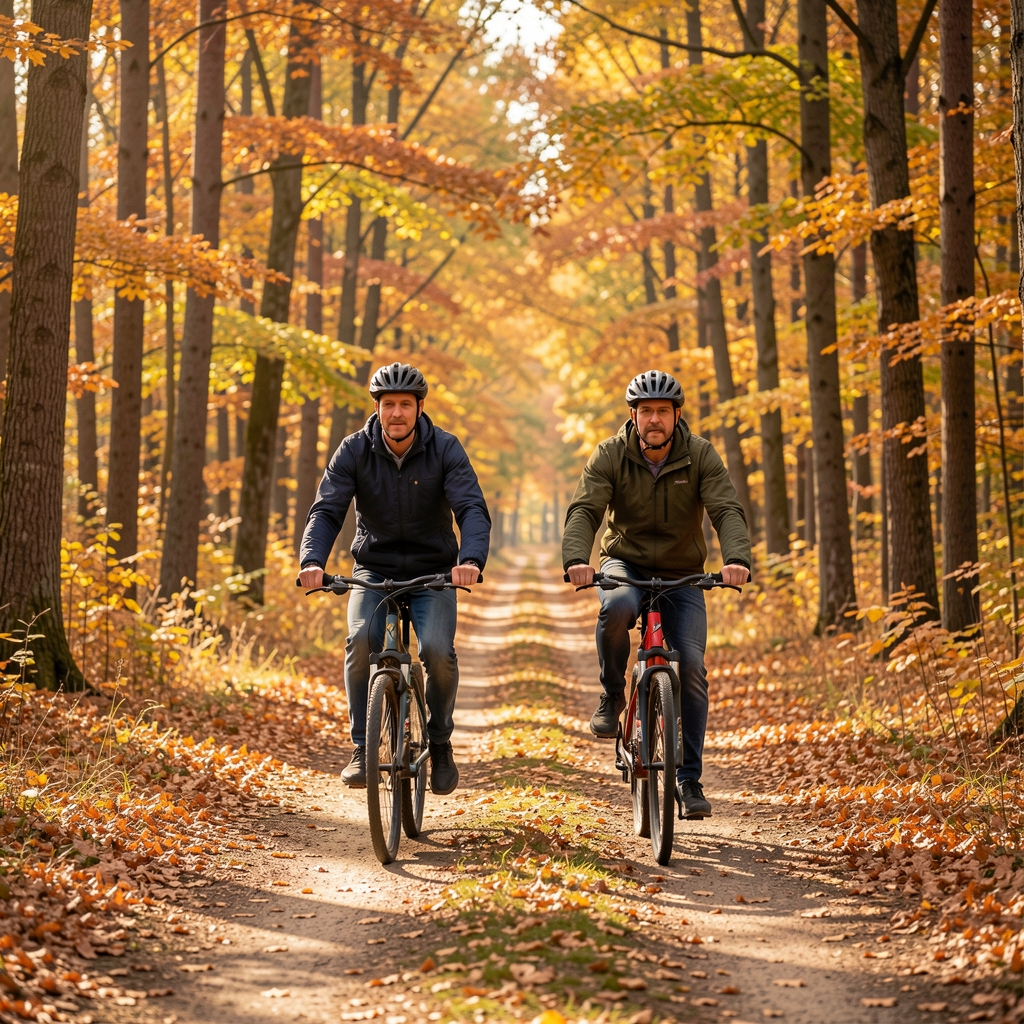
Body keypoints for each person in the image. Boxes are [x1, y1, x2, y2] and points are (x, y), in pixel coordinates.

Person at [561, 370, 751, 819]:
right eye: (645, 411)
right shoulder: (610, 453)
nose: (654, 420)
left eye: (662, 412)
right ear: (633, 415)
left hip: (683, 572)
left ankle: (688, 780)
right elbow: (585, 509)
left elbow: (726, 509)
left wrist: (736, 558)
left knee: (692, 666)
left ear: (676, 415)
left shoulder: (700, 454)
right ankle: (612, 694)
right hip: (624, 563)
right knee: (619, 604)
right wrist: (576, 560)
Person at [297, 362, 489, 795]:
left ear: (420, 408)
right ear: (378, 409)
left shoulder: (445, 449)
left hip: (434, 572)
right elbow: (327, 510)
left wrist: (471, 558)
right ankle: (362, 748)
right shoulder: (353, 450)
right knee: (359, 641)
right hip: (374, 569)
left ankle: (439, 743)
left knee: (438, 651)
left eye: (405, 404)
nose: (397, 413)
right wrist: (312, 560)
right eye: (389, 405)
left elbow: (471, 509)